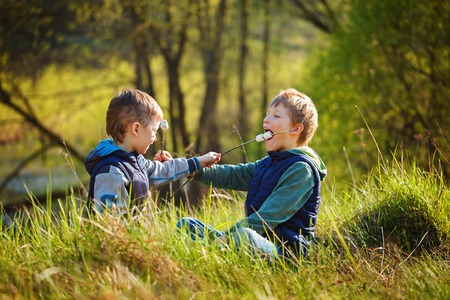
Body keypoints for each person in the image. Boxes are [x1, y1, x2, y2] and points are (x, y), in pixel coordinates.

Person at [177, 88, 327, 259]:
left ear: (295, 129)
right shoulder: (268, 163)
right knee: (186, 225)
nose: (266, 119)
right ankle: (211, 253)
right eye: (267, 114)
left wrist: (227, 237)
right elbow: (233, 175)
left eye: (276, 116)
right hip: (255, 240)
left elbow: (267, 217)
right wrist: (190, 167)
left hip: (284, 254)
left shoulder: (302, 170)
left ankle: (213, 252)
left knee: (244, 236)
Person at [84, 89, 220, 214]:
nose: (155, 139)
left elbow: (163, 171)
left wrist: (198, 162)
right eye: (154, 131)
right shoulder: (112, 171)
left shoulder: (135, 161)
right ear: (136, 129)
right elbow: (109, 223)